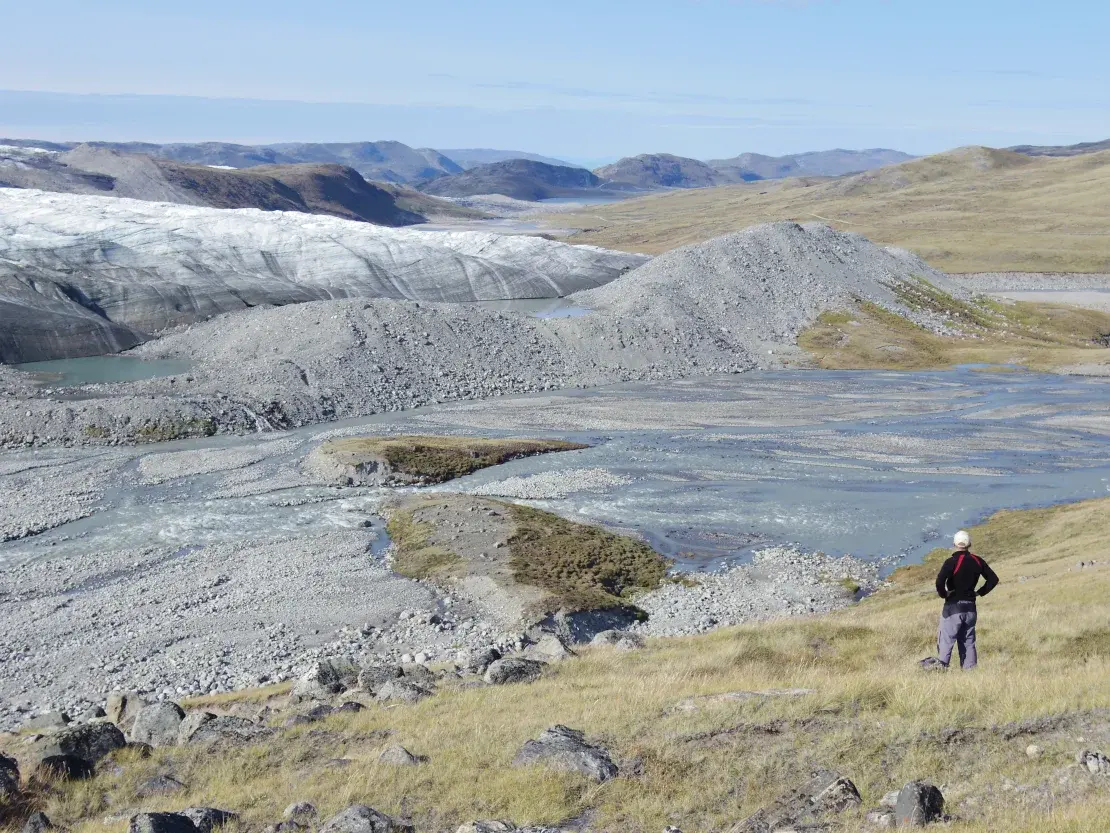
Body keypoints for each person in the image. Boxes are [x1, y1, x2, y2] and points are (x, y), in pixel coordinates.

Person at [933, 530, 998, 669]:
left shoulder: (951, 561)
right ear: (969, 544)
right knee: (968, 643)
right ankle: (970, 674)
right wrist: (979, 593)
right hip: (970, 608)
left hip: (952, 608)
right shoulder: (977, 560)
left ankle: (941, 672)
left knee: (946, 642)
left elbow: (939, 582)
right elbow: (993, 579)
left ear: (954, 544)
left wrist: (944, 594)